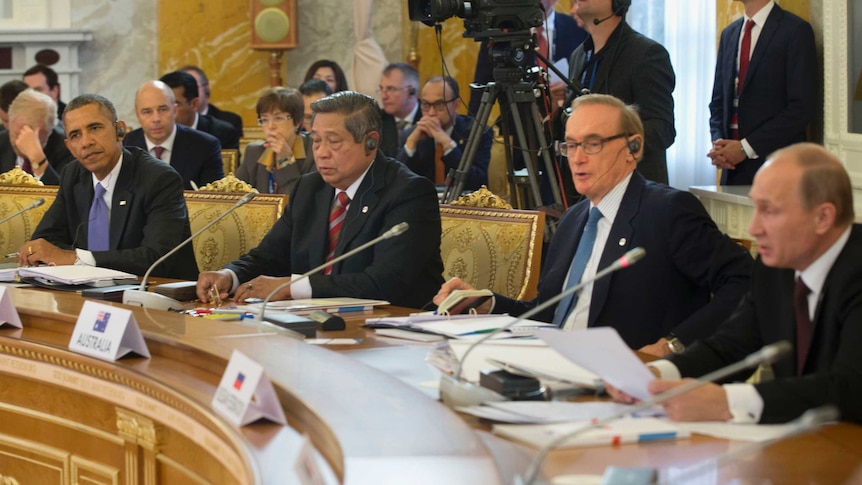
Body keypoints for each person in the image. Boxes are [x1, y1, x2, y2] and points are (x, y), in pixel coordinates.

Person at [435, 94, 752, 355]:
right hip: (550, 364)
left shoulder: (668, 211)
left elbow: (744, 280)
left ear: (633, 147)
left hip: (623, 377)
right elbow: (549, 312)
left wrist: (675, 344)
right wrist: (487, 301)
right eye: (571, 145)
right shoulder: (574, 218)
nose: (577, 158)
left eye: (592, 143)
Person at [611, 144, 862, 426]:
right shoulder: (774, 269)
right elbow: (730, 348)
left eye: (769, 211)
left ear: (823, 217)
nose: (754, 228)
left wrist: (727, 403)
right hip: (808, 444)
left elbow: (851, 389)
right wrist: (656, 375)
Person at [196, 91, 443, 309]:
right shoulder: (310, 187)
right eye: (315, 140)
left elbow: (382, 282)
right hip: (315, 324)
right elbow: (269, 255)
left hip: (392, 332)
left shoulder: (409, 193)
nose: (321, 152)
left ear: (371, 142)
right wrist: (230, 275)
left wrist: (292, 287)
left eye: (333, 142)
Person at [18, 94, 198, 280]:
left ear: (119, 130)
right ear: (70, 147)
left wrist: (75, 258)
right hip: (86, 292)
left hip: (159, 295)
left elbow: (156, 258)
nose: (86, 142)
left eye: (94, 128)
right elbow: (45, 239)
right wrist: (49, 254)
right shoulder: (73, 175)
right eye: (75, 135)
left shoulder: (158, 178)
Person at [561, 0, 675, 186]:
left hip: (635, 192)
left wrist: (609, 142)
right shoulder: (579, 55)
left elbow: (662, 129)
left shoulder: (647, 53)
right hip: (587, 191)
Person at [707, 0, 817, 185]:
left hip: (777, 167)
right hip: (732, 170)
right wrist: (719, 145)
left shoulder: (795, 31)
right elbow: (718, 102)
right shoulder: (729, 34)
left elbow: (801, 107)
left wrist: (745, 148)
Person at [468, 0, 587, 116]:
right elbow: (481, 87)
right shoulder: (500, 31)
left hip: (568, 120)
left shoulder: (578, 28)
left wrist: (568, 89)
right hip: (519, 121)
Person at [123, 80, 224, 190]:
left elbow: (214, 201)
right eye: (147, 112)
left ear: (174, 111)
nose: (156, 119)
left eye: (163, 109)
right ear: (137, 115)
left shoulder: (205, 146)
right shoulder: (125, 145)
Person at [397, 76, 492, 190]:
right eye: (426, 105)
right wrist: (411, 143)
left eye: (439, 105)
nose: (431, 113)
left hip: (464, 203)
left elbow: (477, 182)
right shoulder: (410, 135)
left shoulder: (477, 132)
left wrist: (447, 144)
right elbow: (397, 183)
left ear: (456, 105)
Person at [236, 88, 315, 195]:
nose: (270, 126)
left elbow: (301, 202)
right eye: (264, 119)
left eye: (278, 118)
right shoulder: (254, 152)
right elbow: (235, 196)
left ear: (297, 122)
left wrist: (285, 160)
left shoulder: (313, 150)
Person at [0, 90, 74, 184]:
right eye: (16, 134)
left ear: (49, 131)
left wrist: (38, 160)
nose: (20, 142)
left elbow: (64, 195)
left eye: (30, 136)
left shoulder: (67, 150)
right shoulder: (1, 143)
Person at [159, 71, 239, 151]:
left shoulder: (222, 134)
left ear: (194, 104)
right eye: (162, 107)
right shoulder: (154, 131)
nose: (168, 113)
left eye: (175, 104)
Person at [180, 65, 244, 137]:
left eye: (192, 87)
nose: (187, 93)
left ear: (206, 89)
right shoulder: (172, 122)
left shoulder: (229, 122)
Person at [378, 63, 422, 158]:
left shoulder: (427, 117)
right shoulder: (376, 120)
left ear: (411, 92)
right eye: (382, 89)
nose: (383, 96)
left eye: (391, 89)